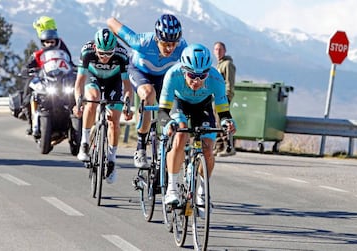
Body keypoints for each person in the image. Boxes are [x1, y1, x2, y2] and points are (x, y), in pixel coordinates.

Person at [157, 43, 237, 205]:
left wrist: (227, 122)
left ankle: (202, 192)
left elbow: (223, 112)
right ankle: (171, 188)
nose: (197, 81)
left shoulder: (216, 78)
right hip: (179, 104)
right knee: (181, 135)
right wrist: (168, 124)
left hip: (203, 107)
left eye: (202, 76)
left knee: (208, 148)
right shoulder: (173, 75)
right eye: (192, 76)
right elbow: (162, 111)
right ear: (184, 70)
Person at [106, 14, 187, 168]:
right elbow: (110, 22)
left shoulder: (182, 47)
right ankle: (141, 146)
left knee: (176, 100)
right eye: (166, 44)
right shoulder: (141, 42)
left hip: (163, 75)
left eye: (173, 44)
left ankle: (168, 140)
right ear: (157, 39)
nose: (170, 48)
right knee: (149, 94)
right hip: (139, 71)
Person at [73, 28, 133, 184]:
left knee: (114, 121)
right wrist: (78, 102)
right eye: (101, 53)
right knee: (92, 99)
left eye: (109, 53)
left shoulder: (121, 54)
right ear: (95, 48)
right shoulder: (87, 52)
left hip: (114, 81)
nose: (105, 57)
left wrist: (128, 104)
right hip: (94, 78)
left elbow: (127, 86)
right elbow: (79, 82)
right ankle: (84, 143)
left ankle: (112, 159)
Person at [20, 16, 74, 135]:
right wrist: (27, 70)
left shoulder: (62, 46)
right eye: (46, 42)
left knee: (74, 92)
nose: (49, 44)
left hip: (61, 79)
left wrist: (74, 69)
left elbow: (68, 61)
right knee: (30, 88)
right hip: (45, 78)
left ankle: (76, 123)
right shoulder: (37, 54)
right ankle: (29, 117)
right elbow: (27, 66)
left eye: (51, 42)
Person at [213, 41, 236, 157]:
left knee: (224, 120)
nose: (218, 52)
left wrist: (227, 96)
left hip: (223, 97)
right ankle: (219, 146)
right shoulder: (218, 65)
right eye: (216, 49)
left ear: (225, 51)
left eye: (220, 49)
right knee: (216, 122)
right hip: (215, 97)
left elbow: (229, 82)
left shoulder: (227, 64)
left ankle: (228, 147)